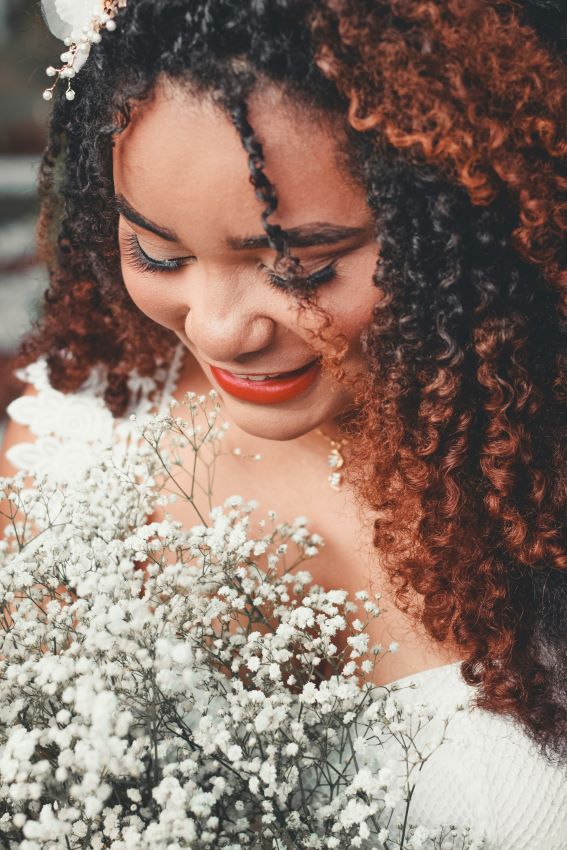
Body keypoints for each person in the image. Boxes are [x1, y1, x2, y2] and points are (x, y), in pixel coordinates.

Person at [1, 0, 566, 845]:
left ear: (460, 229)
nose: (220, 327)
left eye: (298, 266)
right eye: (158, 253)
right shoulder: (69, 460)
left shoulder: (535, 498)